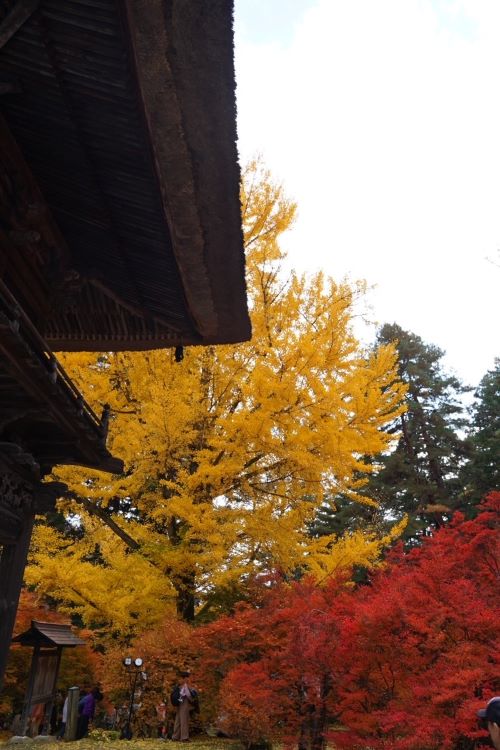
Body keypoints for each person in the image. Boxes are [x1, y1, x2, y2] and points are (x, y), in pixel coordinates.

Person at [171, 671, 198, 742]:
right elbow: (188, 695)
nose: (188, 679)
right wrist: (193, 700)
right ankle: (184, 737)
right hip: (184, 702)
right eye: (187, 677)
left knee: (178, 720)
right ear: (185, 678)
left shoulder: (179, 685)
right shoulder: (184, 685)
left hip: (178, 702)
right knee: (184, 720)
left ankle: (175, 737)